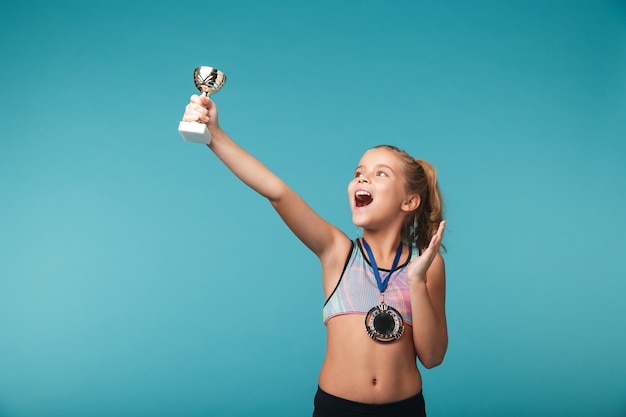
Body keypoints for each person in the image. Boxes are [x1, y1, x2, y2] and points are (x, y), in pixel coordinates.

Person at [181, 94, 448, 417]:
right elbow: (277, 192)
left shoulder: (427, 266)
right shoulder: (337, 251)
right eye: (359, 172)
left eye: (381, 174)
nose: (362, 178)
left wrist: (416, 281)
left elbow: (432, 357)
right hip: (337, 408)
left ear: (409, 202)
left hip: (404, 409)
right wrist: (215, 135)